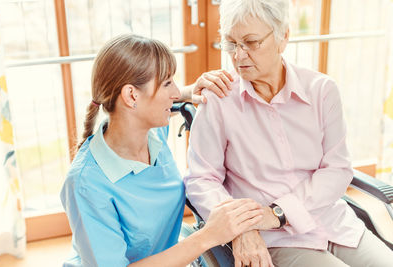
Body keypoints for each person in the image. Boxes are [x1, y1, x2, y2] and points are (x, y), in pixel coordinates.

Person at [184, 0, 393, 266]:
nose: (238, 55)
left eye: (251, 42)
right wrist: (239, 226)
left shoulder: (321, 91)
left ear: (284, 36)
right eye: (231, 43)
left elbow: (337, 169)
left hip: (334, 224)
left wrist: (280, 212)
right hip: (273, 240)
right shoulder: (220, 99)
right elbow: (201, 179)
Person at [60, 34, 264, 267]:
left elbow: (175, 100)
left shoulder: (151, 134)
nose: (176, 93)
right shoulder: (86, 184)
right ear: (131, 96)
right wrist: (207, 237)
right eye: (167, 83)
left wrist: (192, 91)